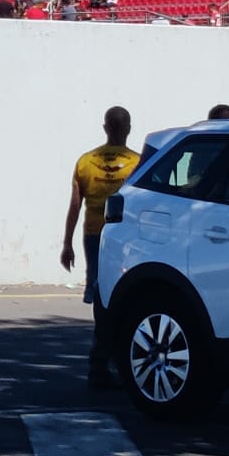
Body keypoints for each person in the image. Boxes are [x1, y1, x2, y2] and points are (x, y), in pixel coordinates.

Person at [61, 106, 140, 388]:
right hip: (127, 238)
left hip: (96, 235)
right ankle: (111, 358)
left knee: (101, 296)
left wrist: (67, 243)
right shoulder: (139, 163)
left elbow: (75, 205)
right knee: (127, 296)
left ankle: (101, 359)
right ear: (128, 128)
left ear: (105, 127)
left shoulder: (86, 161)